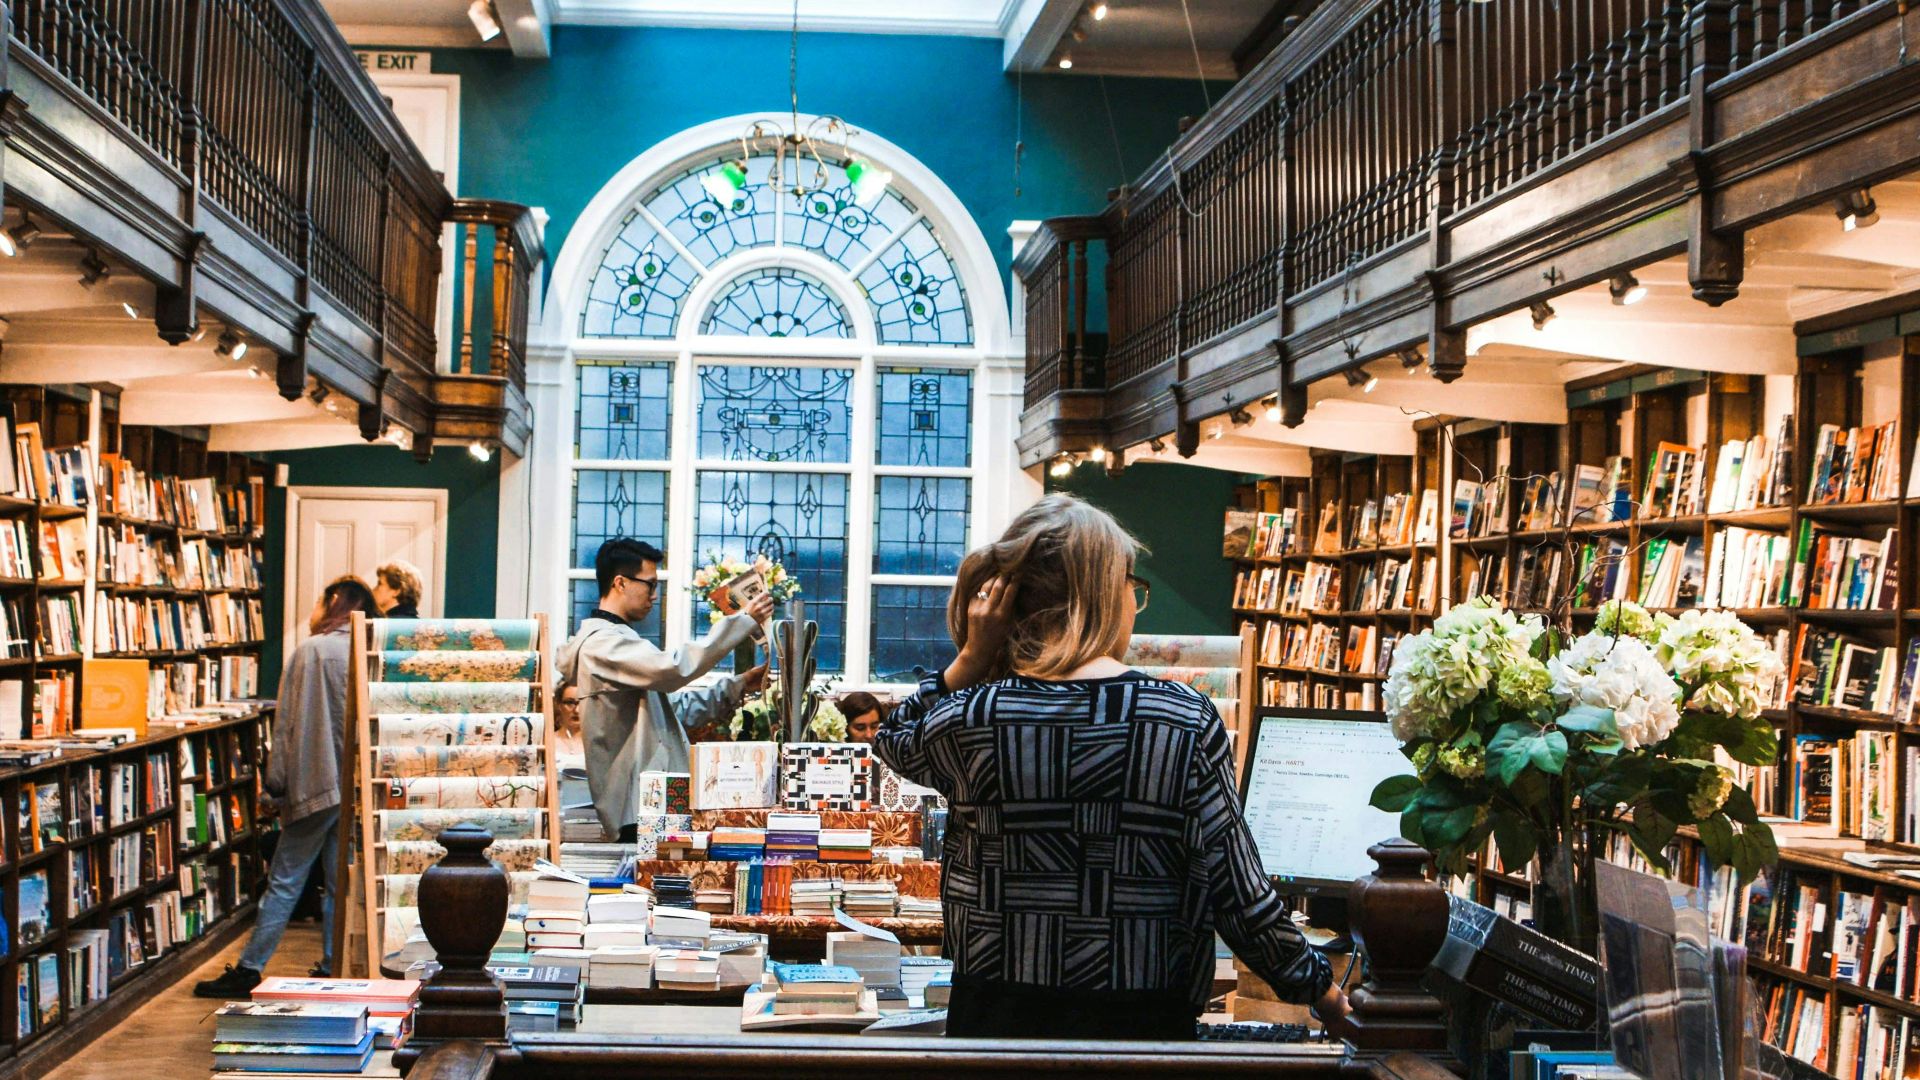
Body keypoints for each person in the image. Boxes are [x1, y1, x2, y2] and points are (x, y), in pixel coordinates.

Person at [872, 494, 1350, 1040]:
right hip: (1142, 1027)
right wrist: (1321, 991)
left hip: (993, 1024)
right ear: (1105, 593)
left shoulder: (975, 717)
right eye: (1132, 587)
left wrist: (972, 658)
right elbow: (1237, 892)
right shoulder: (1181, 720)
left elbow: (894, 738)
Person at [195, 575, 378, 997]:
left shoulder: (310, 652)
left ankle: (249, 968)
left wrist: (274, 788)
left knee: (285, 879)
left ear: (334, 602)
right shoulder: (368, 650)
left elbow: (288, 727)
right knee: (339, 883)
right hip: (353, 789)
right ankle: (333, 966)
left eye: (318, 600)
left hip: (314, 785)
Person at [556, 537, 774, 841]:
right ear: (620, 582)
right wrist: (742, 621)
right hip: (637, 805)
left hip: (653, 800)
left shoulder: (620, 639)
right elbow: (673, 669)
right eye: (650, 585)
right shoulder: (601, 644)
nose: (654, 596)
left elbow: (675, 710)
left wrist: (739, 685)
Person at [553, 678, 586, 761]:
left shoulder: (598, 745)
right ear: (558, 704)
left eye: (582, 702)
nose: (576, 710)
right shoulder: (546, 741)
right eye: (570, 703)